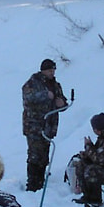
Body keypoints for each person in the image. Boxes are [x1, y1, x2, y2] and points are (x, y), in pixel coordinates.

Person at [22, 58, 68, 191]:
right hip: (34, 126)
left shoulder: (56, 85)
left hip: (49, 126)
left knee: (44, 155)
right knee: (34, 154)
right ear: (43, 70)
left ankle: (40, 182)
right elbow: (28, 98)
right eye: (49, 70)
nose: (52, 73)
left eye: (53, 70)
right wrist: (45, 95)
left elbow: (62, 102)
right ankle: (32, 184)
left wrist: (62, 103)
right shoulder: (33, 82)